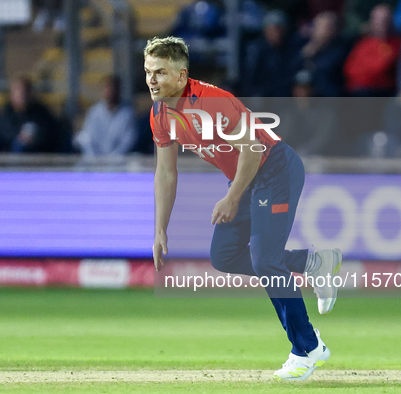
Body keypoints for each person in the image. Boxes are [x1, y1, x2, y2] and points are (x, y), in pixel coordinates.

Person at [145, 36, 342, 381]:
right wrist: (161, 228)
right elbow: (166, 171)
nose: (151, 80)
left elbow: (252, 149)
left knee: (266, 260)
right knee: (223, 256)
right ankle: (313, 263)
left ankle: (307, 349)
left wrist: (233, 196)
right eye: (148, 72)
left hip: (274, 169)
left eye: (160, 72)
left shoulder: (211, 102)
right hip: (246, 178)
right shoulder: (160, 114)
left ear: (181, 75)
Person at [242, 10, 305, 97]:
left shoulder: (291, 48)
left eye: (280, 29)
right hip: (262, 95)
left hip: (285, 93)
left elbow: (293, 74)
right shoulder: (256, 50)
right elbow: (249, 81)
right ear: (265, 30)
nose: (277, 33)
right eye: (273, 29)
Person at [344, 4, 401, 97]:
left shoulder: (396, 43)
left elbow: (381, 67)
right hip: (354, 90)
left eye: (385, 19)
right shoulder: (361, 41)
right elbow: (349, 68)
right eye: (378, 19)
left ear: (391, 21)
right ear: (371, 21)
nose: (381, 23)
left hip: (380, 92)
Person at [0, 77, 60, 153]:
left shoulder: (40, 111)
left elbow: (49, 130)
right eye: (18, 91)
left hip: (38, 148)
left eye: (25, 91)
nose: (22, 95)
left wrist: (35, 137)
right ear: (11, 94)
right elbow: (2, 130)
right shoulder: (6, 111)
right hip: (12, 149)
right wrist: (19, 136)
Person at [74, 75, 136, 156]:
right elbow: (87, 139)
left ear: (119, 90)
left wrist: (112, 160)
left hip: (119, 162)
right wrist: (96, 160)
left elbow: (128, 142)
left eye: (113, 88)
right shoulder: (94, 112)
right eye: (107, 88)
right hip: (94, 162)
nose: (110, 91)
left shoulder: (127, 113)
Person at [301, 12, 349, 97]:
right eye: (318, 26)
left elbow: (324, 71)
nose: (321, 30)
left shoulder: (341, 50)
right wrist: (305, 55)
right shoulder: (304, 47)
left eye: (327, 27)